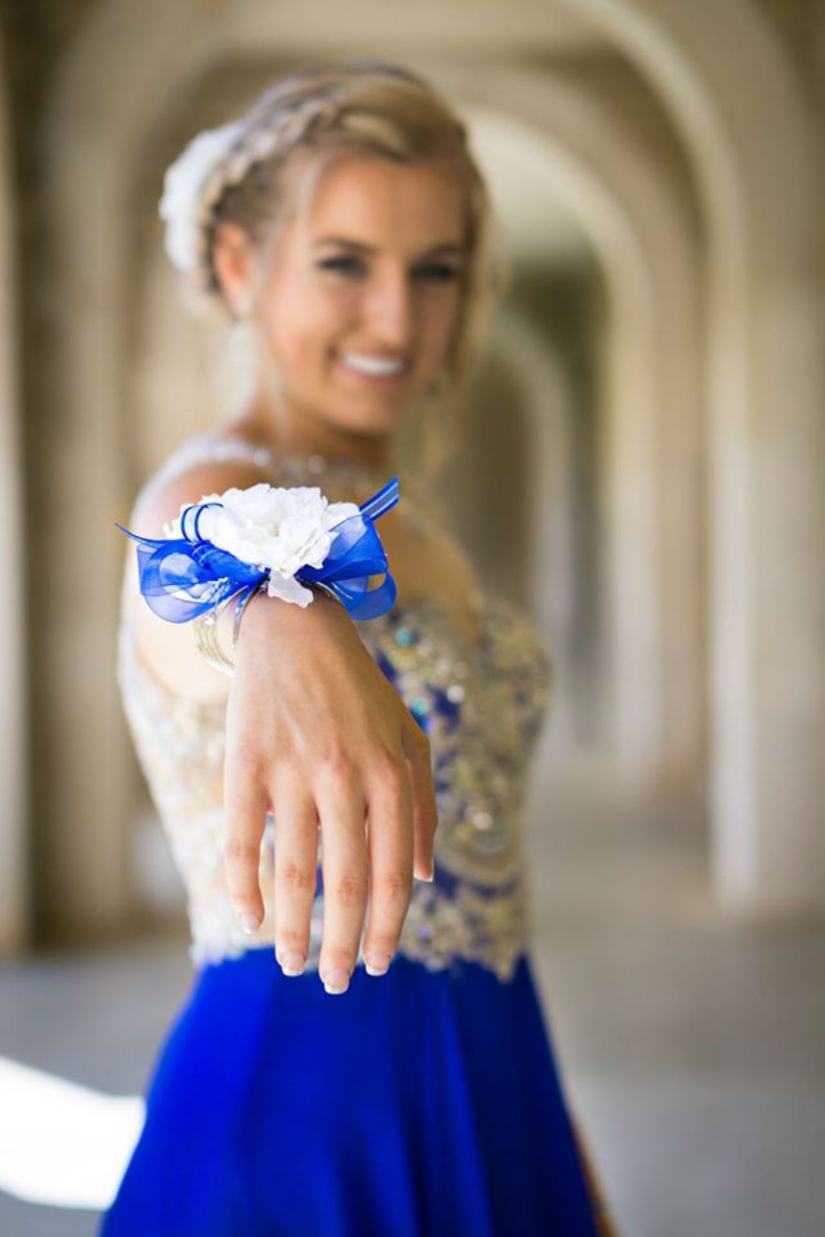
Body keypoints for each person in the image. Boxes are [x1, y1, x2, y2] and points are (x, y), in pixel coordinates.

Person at [99, 58, 617, 1236]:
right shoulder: (217, 481)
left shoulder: (402, 507)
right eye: (346, 263)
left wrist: (567, 1158)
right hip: (301, 1129)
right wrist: (271, 616)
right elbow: (182, 574)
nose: (399, 318)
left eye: (434, 270)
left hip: (500, 1083)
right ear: (240, 266)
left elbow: (493, 910)